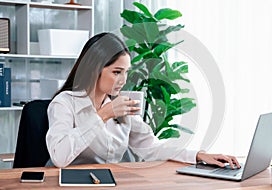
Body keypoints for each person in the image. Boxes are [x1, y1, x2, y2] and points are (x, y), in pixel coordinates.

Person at [46, 32, 241, 169]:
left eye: (126, 72)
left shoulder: (122, 104)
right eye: (116, 72)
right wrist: (104, 114)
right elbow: (60, 158)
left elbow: (152, 149)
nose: (123, 80)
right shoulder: (64, 103)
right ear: (94, 68)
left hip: (110, 183)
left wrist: (198, 155)